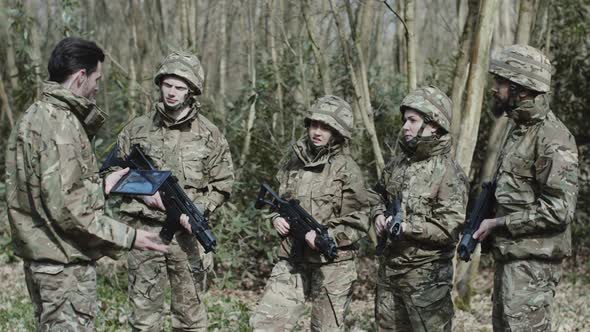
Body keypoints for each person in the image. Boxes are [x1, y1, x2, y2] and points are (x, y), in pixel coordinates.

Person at [5, 37, 173, 331]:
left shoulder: (32, 117)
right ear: (81, 77)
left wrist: (102, 185)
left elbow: (45, 193)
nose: (98, 87)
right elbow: (69, 210)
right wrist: (131, 236)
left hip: (41, 262)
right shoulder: (61, 125)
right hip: (64, 269)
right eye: (97, 79)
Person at [112, 51, 234, 331]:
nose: (172, 92)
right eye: (168, 85)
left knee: (190, 320)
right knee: (143, 320)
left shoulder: (210, 135)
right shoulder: (137, 129)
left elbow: (224, 183)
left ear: (192, 91)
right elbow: (110, 174)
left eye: (180, 87)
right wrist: (144, 190)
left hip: (187, 238)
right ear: (160, 84)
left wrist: (199, 210)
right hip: (145, 234)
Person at [473, 44, 578, 331]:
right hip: (510, 262)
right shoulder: (518, 131)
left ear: (521, 88)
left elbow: (559, 210)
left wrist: (499, 222)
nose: (494, 88)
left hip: (533, 270)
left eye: (501, 81)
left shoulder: (552, 138)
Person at [250, 95, 371, 331]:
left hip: (333, 265)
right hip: (292, 257)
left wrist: (326, 237)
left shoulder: (348, 169)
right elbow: (279, 202)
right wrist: (276, 219)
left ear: (338, 132)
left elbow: (360, 219)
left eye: (325, 127)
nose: (317, 131)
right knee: (266, 324)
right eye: (314, 125)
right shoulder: (293, 162)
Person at [371, 86, 468, 332]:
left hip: (427, 281)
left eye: (412, 120)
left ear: (433, 124)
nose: (405, 126)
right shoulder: (397, 164)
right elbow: (376, 196)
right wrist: (378, 216)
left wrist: (406, 227)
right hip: (390, 275)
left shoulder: (449, 172)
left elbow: (450, 227)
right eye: (405, 120)